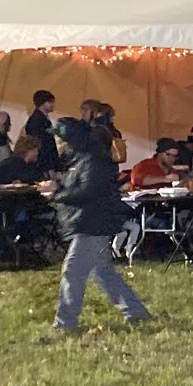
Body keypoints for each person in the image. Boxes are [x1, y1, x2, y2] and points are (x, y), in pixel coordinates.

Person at [49, 118, 152, 328]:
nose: (57, 143)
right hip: (92, 222)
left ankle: (65, 323)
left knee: (72, 272)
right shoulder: (82, 159)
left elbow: (88, 191)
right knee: (103, 271)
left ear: (70, 140)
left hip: (92, 224)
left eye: (60, 139)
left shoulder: (91, 160)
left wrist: (57, 194)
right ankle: (135, 311)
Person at [23, 90, 60, 172]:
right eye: (50, 102)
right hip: (42, 164)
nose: (52, 105)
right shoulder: (37, 121)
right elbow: (42, 145)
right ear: (42, 103)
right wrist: (50, 166)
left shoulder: (42, 120)